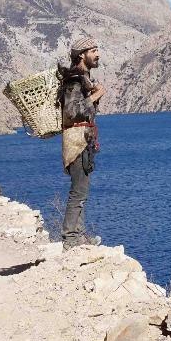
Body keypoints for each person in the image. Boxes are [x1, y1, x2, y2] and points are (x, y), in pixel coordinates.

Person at [58, 35, 105, 249]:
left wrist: (94, 94)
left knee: (82, 189)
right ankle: (70, 238)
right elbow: (71, 111)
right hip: (76, 141)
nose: (97, 54)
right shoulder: (74, 81)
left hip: (84, 140)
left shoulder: (82, 80)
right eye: (93, 50)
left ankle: (79, 236)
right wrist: (96, 96)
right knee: (78, 190)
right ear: (82, 55)